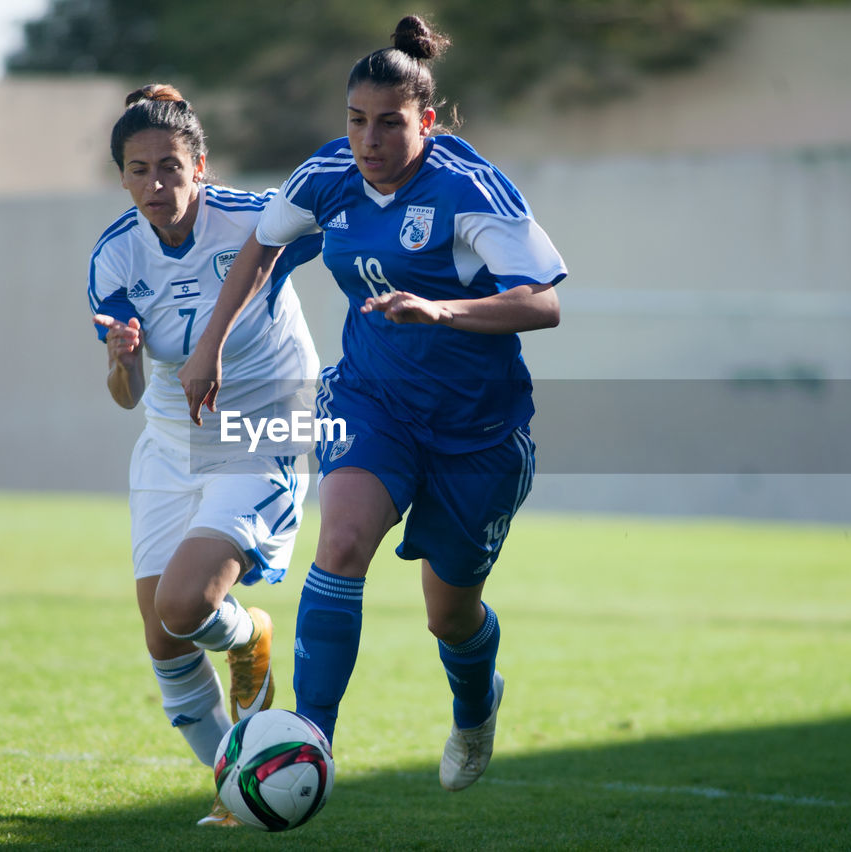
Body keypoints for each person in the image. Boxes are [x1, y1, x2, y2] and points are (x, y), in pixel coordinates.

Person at [179, 15, 565, 793]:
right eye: (356, 121)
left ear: (425, 120)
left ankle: (474, 706)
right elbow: (265, 242)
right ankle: (309, 738)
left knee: (449, 618)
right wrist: (211, 342)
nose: (369, 139)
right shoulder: (327, 175)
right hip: (372, 399)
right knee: (343, 541)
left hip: (478, 432)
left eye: (389, 123)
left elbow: (542, 303)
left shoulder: (466, 189)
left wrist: (442, 309)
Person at [87, 84, 322, 825]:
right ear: (121, 176)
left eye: (170, 167)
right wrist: (122, 360)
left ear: (202, 167)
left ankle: (248, 635)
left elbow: (343, 227)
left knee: (186, 602)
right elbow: (123, 394)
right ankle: (236, 787)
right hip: (168, 442)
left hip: (265, 429)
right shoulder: (114, 258)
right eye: (137, 170)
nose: (156, 185)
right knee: (165, 639)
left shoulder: (254, 221)